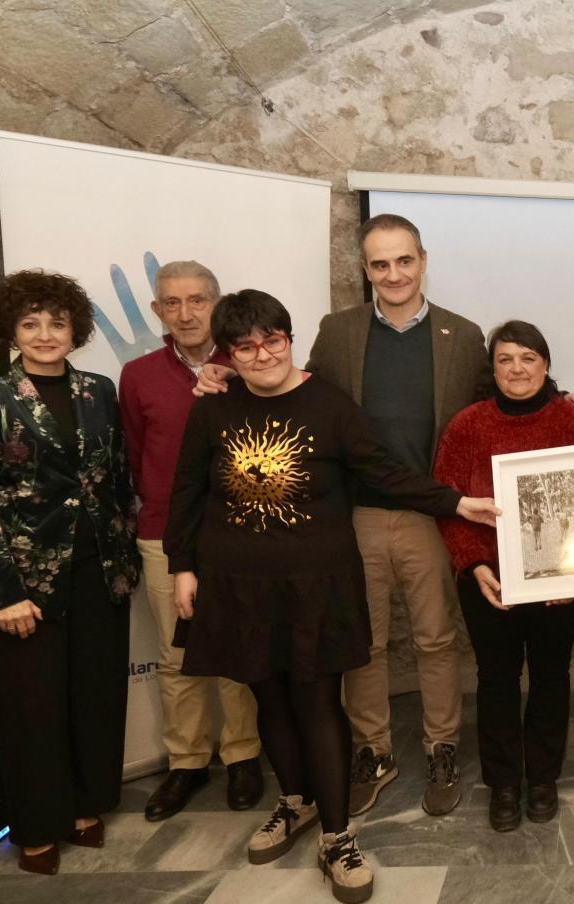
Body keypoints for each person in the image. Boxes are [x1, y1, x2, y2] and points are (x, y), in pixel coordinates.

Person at [166, 290, 498, 904]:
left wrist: (455, 501)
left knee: (318, 703)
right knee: (265, 694)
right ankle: (294, 803)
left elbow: (384, 470)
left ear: (290, 339)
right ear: (230, 355)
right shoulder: (214, 408)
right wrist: (182, 568)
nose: (262, 353)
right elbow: (187, 490)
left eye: (273, 339)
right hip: (236, 584)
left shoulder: (329, 404)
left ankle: (338, 836)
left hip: (316, 584)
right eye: (245, 346)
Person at [195, 214, 488, 818]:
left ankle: (442, 746)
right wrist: (224, 373)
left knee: (436, 638)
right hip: (350, 515)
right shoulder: (339, 330)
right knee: (364, 644)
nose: (394, 274)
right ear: (365, 270)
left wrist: (565, 396)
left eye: (404, 261)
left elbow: (490, 408)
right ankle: (372, 751)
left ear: (423, 260)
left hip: (431, 513)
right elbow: (290, 386)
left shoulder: (464, 334)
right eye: (380, 264)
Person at [0, 270, 141, 875]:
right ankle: (36, 826)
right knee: (31, 709)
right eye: (31, 323)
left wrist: (126, 555)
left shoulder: (98, 390)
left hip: (98, 571)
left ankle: (84, 807)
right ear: (12, 330)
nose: (45, 334)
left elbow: (114, 478)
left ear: (75, 329)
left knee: (93, 696)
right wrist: (3, 591)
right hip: (23, 582)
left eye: (57, 322)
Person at [434, 321, 574, 833]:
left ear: (546, 366)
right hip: (488, 579)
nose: (517, 368)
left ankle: (544, 778)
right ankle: (505, 782)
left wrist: (572, 573)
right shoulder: (467, 425)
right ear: (493, 368)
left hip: (562, 581)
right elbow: (447, 503)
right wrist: (475, 564)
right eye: (505, 359)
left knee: (552, 676)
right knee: (497, 679)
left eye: (528, 358)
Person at [119, 260, 263, 821]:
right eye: (172, 303)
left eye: (197, 300)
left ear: (216, 302)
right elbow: (133, 455)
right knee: (177, 655)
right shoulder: (138, 376)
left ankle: (244, 755)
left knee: (235, 650)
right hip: (162, 533)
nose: (185, 313)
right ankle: (186, 762)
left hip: (235, 534)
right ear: (158, 310)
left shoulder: (248, 364)